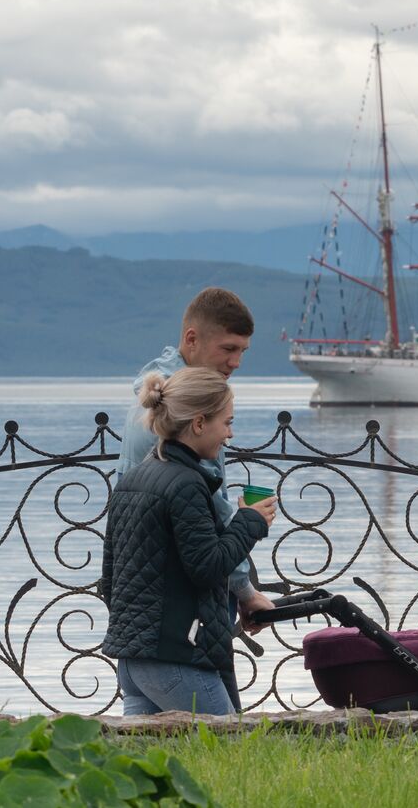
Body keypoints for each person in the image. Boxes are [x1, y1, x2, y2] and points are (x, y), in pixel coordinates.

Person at [101, 368, 277, 715]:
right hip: (176, 658)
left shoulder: (134, 477)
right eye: (226, 423)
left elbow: (110, 575)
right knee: (227, 753)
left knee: (147, 765)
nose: (229, 434)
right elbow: (207, 566)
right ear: (198, 423)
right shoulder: (186, 484)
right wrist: (250, 522)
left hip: (134, 659)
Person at [117, 288, 274, 635]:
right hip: (180, 596)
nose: (236, 363)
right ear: (192, 338)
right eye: (228, 349)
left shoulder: (156, 394)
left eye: (243, 351)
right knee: (200, 688)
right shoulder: (185, 410)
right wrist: (245, 591)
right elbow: (209, 512)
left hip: (142, 584)